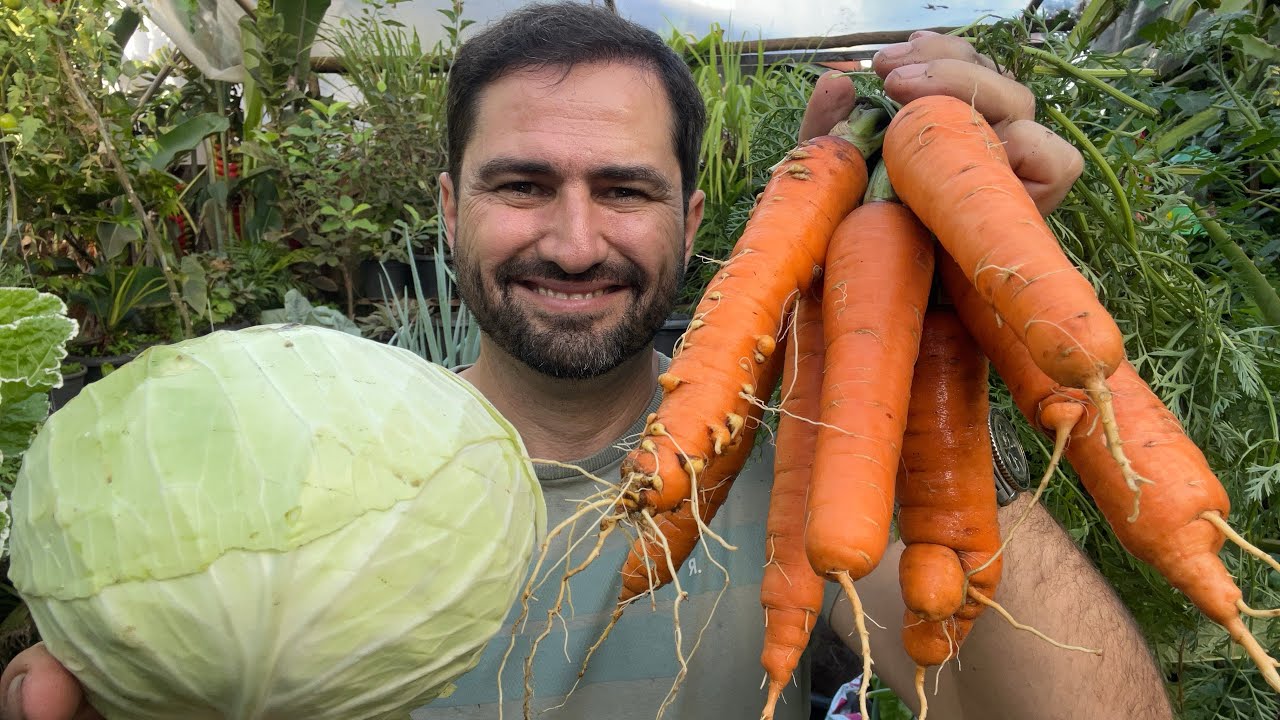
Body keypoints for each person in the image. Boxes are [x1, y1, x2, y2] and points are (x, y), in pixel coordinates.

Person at [0, 3, 1176, 719]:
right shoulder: (286, 445)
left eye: (624, 190)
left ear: (694, 218)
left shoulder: (796, 473)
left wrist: (948, 346)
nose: (572, 240)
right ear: (448, 209)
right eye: (521, 185)